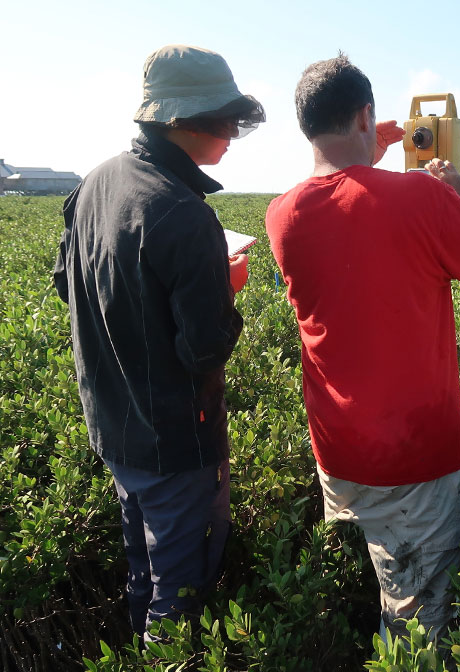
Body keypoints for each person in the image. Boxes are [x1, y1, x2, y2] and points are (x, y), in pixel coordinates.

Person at [265, 54, 460, 644]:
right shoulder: (421, 201)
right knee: (419, 628)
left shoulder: (282, 214)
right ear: (366, 114)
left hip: (342, 457)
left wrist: (370, 149)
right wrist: (454, 195)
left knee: (393, 586)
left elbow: (346, 197)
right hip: (413, 461)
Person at [53, 44, 264, 640]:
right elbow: (204, 350)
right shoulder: (186, 215)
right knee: (181, 584)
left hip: (115, 429)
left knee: (143, 568)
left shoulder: (95, 181)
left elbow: (69, 286)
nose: (231, 134)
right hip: (174, 443)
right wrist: (226, 285)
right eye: (223, 120)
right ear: (181, 122)